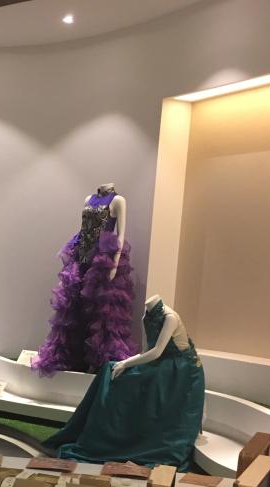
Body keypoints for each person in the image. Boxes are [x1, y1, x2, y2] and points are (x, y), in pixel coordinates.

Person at [43, 295, 205, 471]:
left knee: (134, 380)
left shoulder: (170, 318)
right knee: (110, 369)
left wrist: (126, 363)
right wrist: (124, 363)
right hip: (160, 363)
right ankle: (105, 435)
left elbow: (157, 352)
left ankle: (126, 435)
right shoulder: (147, 317)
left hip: (180, 368)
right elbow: (147, 351)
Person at [33, 183, 137, 374]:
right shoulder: (88, 199)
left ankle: (101, 366)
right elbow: (83, 230)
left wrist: (114, 264)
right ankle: (74, 360)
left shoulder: (118, 200)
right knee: (74, 309)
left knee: (102, 313)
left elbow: (121, 235)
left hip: (102, 261)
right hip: (81, 257)